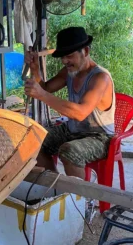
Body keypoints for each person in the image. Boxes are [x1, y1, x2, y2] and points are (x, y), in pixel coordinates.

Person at [24, 26, 115, 179]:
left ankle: (79, 199)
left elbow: (80, 113)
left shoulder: (100, 78)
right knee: (32, 140)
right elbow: (46, 88)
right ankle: (54, 186)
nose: (65, 61)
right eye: (62, 57)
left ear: (85, 51)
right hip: (72, 130)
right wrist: (35, 69)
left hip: (99, 137)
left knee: (70, 151)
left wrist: (42, 95)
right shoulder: (69, 72)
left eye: (69, 56)